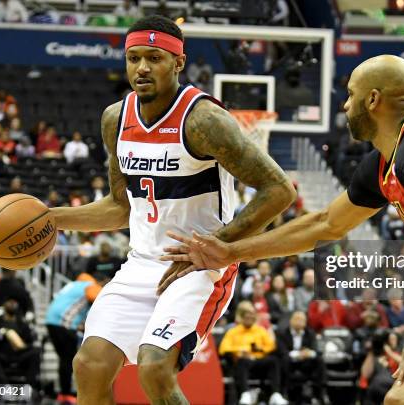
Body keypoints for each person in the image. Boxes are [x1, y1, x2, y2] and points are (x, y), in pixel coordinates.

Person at [161, 55, 404, 405]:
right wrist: (231, 252)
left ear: (373, 100)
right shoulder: (382, 164)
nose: (345, 103)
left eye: (351, 94)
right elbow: (325, 224)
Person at [49, 15, 295, 405]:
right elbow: (119, 207)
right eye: (133, 58)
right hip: (141, 263)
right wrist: (52, 219)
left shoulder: (204, 120)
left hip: (199, 267)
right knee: (89, 364)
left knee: (153, 366)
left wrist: (216, 245)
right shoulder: (116, 119)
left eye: (154, 58)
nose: (142, 68)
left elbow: (279, 190)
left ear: (178, 63)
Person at [45, 273, 108, 405]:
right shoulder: (92, 286)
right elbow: (99, 300)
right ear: (102, 283)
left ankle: (64, 392)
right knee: (68, 360)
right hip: (63, 323)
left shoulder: (75, 284)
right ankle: (66, 394)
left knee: (65, 359)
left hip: (52, 320)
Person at [219, 301, 288, 405]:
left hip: (259, 360)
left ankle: (275, 394)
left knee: (274, 361)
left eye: (252, 318)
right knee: (242, 362)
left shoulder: (260, 330)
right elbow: (223, 348)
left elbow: (271, 346)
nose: (249, 320)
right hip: (242, 362)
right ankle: (245, 394)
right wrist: (240, 351)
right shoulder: (233, 331)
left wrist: (259, 349)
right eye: (247, 318)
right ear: (242, 318)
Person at [0, 297, 41, 388]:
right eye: (10, 302)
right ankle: (5, 387)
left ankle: (28, 388)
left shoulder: (22, 323)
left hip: (20, 355)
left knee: (35, 352)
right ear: (4, 304)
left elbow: (30, 341)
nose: (12, 304)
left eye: (14, 302)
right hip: (3, 354)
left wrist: (21, 344)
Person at [276, 311, 326, 403]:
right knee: (283, 360)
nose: (299, 322)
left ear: (305, 322)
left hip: (305, 364)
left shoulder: (310, 333)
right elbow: (282, 352)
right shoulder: (282, 333)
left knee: (319, 360)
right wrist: (298, 354)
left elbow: (316, 351)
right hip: (290, 363)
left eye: (302, 320)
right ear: (291, 321)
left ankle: (320, 393)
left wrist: (309, 353)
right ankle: (284, 393)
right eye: (297, 319)